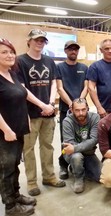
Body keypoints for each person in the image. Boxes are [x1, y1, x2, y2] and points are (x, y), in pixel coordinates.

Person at [0, 39, 54, 215]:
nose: (9, 55)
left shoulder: (11, 73)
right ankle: (10, 206)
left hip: (18, 128)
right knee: (6, 169)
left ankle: (16, 196)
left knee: (14, 165)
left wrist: (37, 110)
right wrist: (6, 129)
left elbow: (23, 95)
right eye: (4, 52)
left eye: (11, 52)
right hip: (5, 132)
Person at [17, 29, 66, 196]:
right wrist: (42, 105)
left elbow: (53, 83)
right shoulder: (20, 62)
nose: (40, 42)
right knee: (28, 149)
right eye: (37, 39)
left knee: (47, 146)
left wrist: (51, 103)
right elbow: (22, 89)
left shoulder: (49, 61)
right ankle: (31, 182)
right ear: (29, 41)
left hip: (49, 113)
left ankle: (49, 176)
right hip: (30, 114)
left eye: (43, 40)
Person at [56, 40, 88, 180]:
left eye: (75, 49)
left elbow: (86, 86)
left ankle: (77, 163)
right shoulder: (59, 67)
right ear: (65, 51)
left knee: (82, 136)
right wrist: (71, 104)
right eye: (70, 49)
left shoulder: (84, 67)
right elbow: (59, 88)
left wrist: (79, 103)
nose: (73, 51)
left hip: (81, 109)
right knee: (66, 139)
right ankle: (63, 164)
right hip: (66, 109)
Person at [62, 98, 102, 194]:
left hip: (88, 153)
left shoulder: (95, 118)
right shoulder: (67, 121)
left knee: (101, 177)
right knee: (77, 157)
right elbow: (69, 146)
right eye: (77, 110)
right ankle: (78, 177)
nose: (81, 113)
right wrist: (78, 148)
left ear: (87, 108)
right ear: (72, 110)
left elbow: (94, 140)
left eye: (83, 109)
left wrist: (75, 147)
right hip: (73, 154)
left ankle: (77, 167)